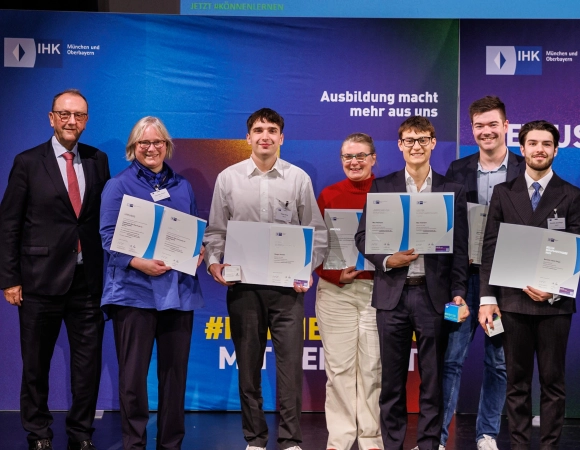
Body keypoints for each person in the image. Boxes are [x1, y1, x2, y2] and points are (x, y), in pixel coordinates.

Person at [203, 108, 327, 450]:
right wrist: (214, 264)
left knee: (289, 370)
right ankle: (255, 439)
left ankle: (290, 441)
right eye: (258, 130)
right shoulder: (228, 178)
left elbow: (316, 234)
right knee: (248, 368)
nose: (265, 136)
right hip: (244, 288)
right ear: (248, 137)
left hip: (288, 290)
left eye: (272, 130)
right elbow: (215, 231)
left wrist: (308, 269)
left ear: (281, 138)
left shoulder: (298, 179)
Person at [0, 89, 110, 450]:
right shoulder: (27, 162)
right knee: (35, 365)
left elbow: (100, 220)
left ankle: (81, 434)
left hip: (88, 282)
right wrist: (10, 278)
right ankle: (39, 432)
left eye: (78, 115)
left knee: (87, 366)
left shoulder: (98, 160)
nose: (71, 121)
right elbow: (9, 224)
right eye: (64, 114)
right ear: (51, 118)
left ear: (86, 121)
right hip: (38, 281)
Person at [354, 116, 469, 450]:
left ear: (433, 142)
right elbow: (364, 238)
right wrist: (389, 260)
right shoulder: (382, 186)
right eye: (409, 140)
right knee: (391, 381)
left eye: (423, 139)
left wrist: (459, 293)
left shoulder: (452, 190)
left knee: (432, 381)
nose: (416, 146)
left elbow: (460, 251)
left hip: (434, 297)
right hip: (393, 296)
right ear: (400, 145)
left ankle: (429, 444)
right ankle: (393, 445)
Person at [478, 120, 580, 450]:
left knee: (553, 382)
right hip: (512, 303)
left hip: (555, 305)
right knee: (517, 383)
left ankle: (550, 447)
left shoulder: (572, 195)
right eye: (533, 143)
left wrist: (555, 289)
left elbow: (579, 249)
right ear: (522, 148)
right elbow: (490, 247)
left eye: (546, 144)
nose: (539, 149)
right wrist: (487, 298)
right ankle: (520, 446)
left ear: (556, 149)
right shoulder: (503, 192)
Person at [99, 116, 205, 450]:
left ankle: (170, 444)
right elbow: (107, 237)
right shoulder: (118, 185)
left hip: (177, 294)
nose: (151, 148)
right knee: (133, 378)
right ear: (133, 148)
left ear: (166, 146)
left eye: (157, 142)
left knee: (175, 378)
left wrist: (197, 251)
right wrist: (138, 262)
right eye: (144, 143)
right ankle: (134, 443)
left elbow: (193, 231)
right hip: (134, 294)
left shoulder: (182, 186)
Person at [440, 96, 522, 450]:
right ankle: (437, 437)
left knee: (499, 362)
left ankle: (487, 434)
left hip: (506, 283)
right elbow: (448, 228)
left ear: (506, 126)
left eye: (493, 124)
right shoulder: (457, 170)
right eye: (478, 125)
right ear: (471, 129)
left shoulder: (524, 168)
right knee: (450, 360)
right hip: (464, 279)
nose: (486, 131)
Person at [315, 133, 382, 450]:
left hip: (377, 290)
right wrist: (333, 272)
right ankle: (340, 441)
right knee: (339, 369)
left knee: (372, 368)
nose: (353, 162)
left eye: (360, 156)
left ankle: (371, 440)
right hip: (335, 290)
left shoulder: (388, 193)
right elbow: (313, 248)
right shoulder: (328, 195)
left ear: (373, 158)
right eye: (347, 157)